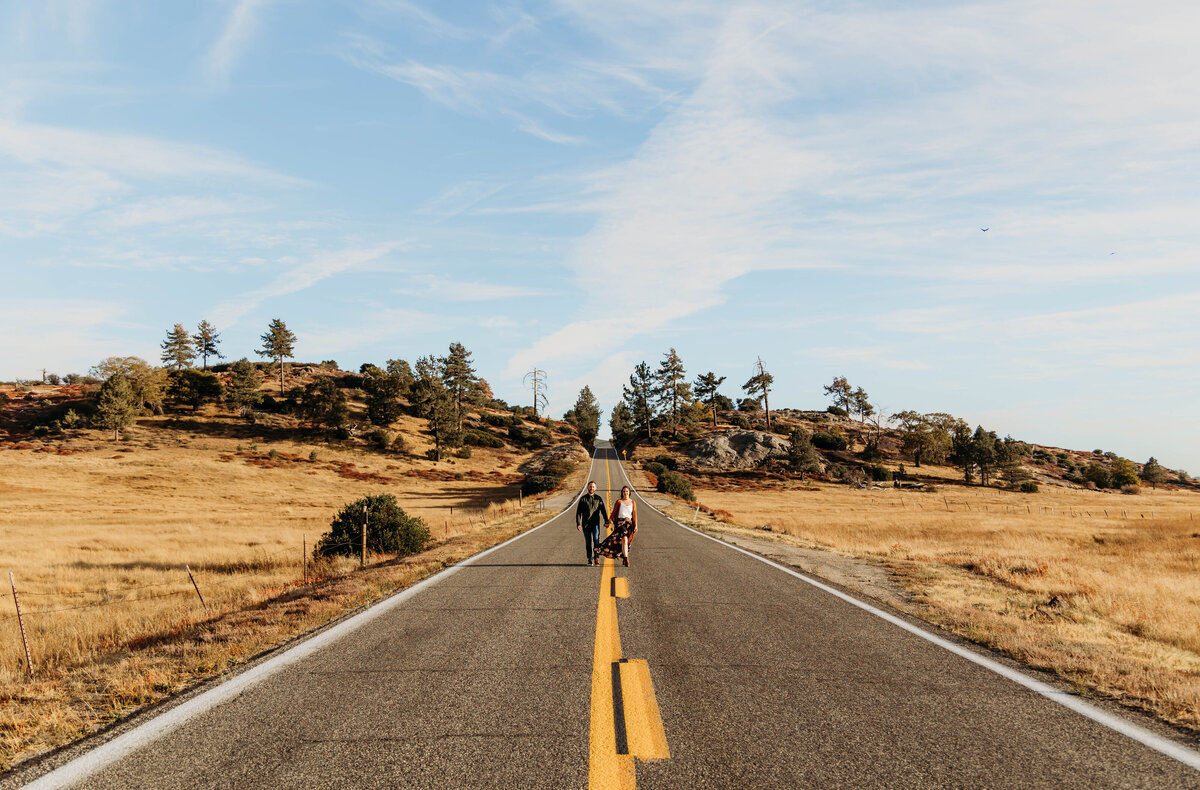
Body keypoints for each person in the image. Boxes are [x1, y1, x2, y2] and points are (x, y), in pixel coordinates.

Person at [598, 485, 637, 567]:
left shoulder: (632, 502)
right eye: (624, 491)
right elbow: (613, 514)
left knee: (626, 542)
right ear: (622, 493)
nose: (625, 493)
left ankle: (624, 556)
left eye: (627, 491)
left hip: (629, 524)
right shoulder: (619, 502)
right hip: (620, 524)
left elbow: (634, 515)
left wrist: (635, 525)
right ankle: (626, 559)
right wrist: (608, 522)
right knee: (624, 539)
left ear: (629, 492)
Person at [575, 481, 609, 566]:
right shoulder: (583, 499)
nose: (591, 488)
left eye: (593, 487)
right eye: (590, 486)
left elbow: (603, 511)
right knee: (588, 542)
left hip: (595, 524)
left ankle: (596, 558)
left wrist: (606, 521)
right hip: (585, 524)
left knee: (596, 540)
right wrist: (578, 523)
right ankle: (590, 558)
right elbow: (579, 512)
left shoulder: (598, 498)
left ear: (595, 488)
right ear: (587, 487)